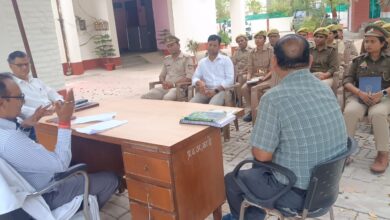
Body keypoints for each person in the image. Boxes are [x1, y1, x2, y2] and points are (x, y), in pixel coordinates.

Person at [223, 34, 348, 220]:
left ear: (274, 62)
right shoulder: (325, 89)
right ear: (310, 60)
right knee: (258, 167)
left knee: (232, 179)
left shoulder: (273, 99)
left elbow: (262, 155)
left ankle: (248, 216)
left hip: (296, 194)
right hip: (327, 187)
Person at [0, 72, 119, 210]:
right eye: (20, 97)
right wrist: (64, 122)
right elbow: (60, 163)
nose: (23, 101)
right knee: (110, 179)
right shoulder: (10, 140)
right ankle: (87, 212)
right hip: (45, 195)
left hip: (27, 189)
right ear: (1, 102)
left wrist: (25, 126)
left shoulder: (6, 133)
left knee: (81, 164)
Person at [343, 25, 390, 173]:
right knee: (350, 111)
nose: (368, 44)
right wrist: (359, 93)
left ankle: (383, 155)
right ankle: (345, 151)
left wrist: (382, 93)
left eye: (372, 41)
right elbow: (347, 81)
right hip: (360, 97)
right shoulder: (358, 61)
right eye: (366, 41)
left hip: (383, 98)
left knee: (377, 114)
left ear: (382, 43)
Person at [8, 51, 63, 140]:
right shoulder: (11, 86)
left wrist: (59, 102)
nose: (24, 67)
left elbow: (53, 94)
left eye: (26, 64)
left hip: (52, 117)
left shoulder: (36, 81)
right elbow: (17, 109)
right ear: (11, 66)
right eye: (20, 65)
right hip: (34, 124)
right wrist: (41, 113)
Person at [141, 35, 194, 101]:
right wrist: (164, 82)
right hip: (166, 87)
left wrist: (173, 84)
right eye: (168, 46)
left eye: (172, 45)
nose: (170, 48)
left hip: (179, 88)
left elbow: (189, 78)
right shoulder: (167, 59)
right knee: (146, 96)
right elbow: (161, 76)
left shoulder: (186, 58)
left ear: (178, 45)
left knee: (167, 98)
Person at [190, 35, 234, 105]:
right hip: (206, 91)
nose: (211, 47)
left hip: (222, 91)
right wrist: (198, 82)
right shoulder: (202, 62)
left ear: (219, 47)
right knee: (192, 104)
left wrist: (215, 91)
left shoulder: (226, 60)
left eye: (214, 45)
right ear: (207, 45)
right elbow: (195, 77)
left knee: (212, 106)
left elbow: (229, 80)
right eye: (210, 45)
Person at [241, 31, 273, 122]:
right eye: (256, 38)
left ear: (264, 39)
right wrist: (248, 78)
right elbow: (250, 69)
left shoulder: (270, 51)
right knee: (244, 88)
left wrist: (264, 77)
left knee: (256, 89)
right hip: (255, 77)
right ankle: (252, 111)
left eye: (260, 38)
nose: (257, 40)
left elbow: (272, 69)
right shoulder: (251, 52)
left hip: (268, 77)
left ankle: (262, 112)